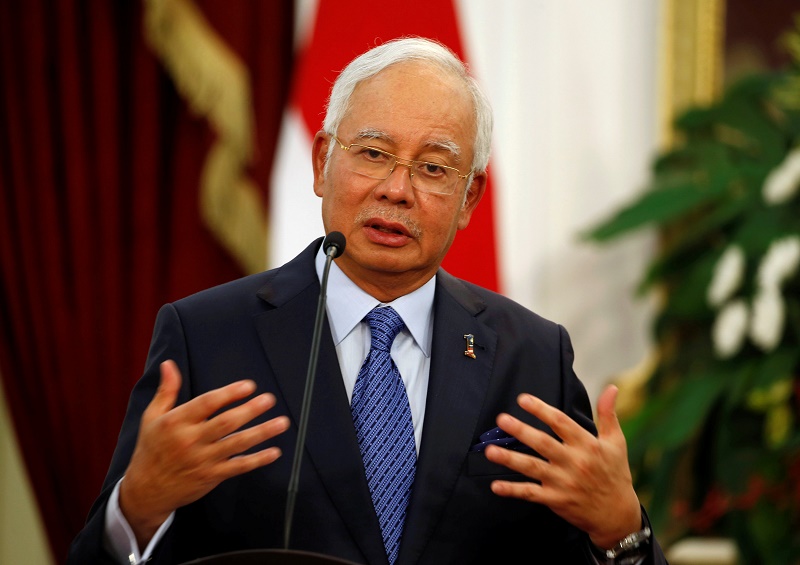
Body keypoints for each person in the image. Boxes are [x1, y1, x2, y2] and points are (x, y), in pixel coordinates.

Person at [68, 37, 667, 565]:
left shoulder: (532, 356)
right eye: (374, 154)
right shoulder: (207, 337)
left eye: (434, 167)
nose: (397, 189)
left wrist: (620, 532)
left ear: (469, 198)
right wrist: (138, 509)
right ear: (322, 162)